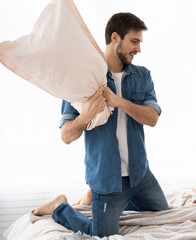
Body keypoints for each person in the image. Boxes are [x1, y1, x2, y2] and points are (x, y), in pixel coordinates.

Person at [33, 12, 169, 237]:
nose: (138, 49)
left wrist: (118, 101)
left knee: (166, 219)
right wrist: (86, 116)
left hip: (141, 176)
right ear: (115, 38)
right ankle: (60, 207)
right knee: (101, 237)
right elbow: (66, 135)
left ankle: (92, 199)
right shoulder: (82, 78)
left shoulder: (142, 76)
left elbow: (152, 118)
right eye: (134, 42)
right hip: (107, 183)